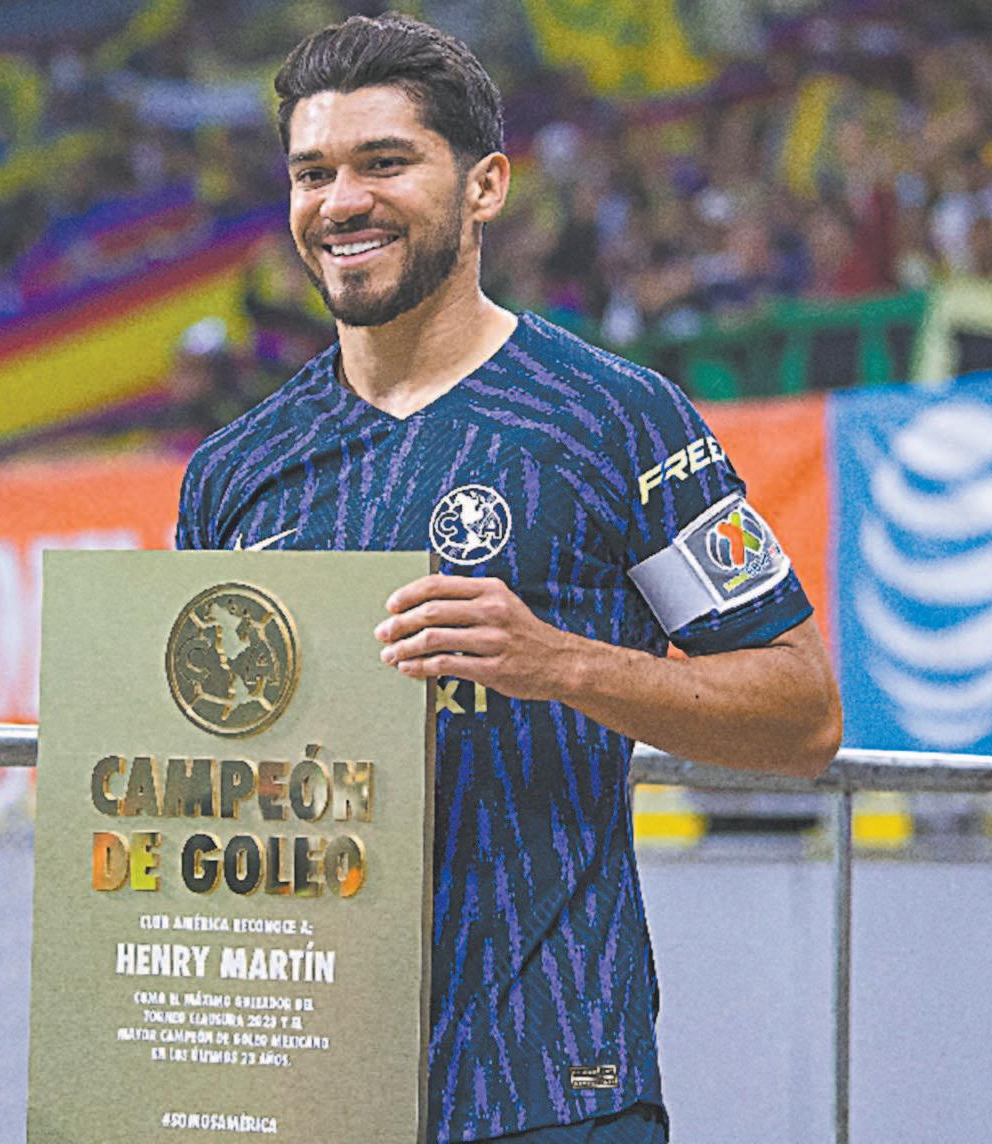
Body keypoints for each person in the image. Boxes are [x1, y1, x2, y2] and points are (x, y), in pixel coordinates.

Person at [174, 14, 842, 1143]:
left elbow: (803, 714)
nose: (342, 202)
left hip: (552, 1080)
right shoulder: (235, 472)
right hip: (303, 1089)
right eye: (313, 173)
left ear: (485, 186)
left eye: (385, 162)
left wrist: (559, 662)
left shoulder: (615, 418)